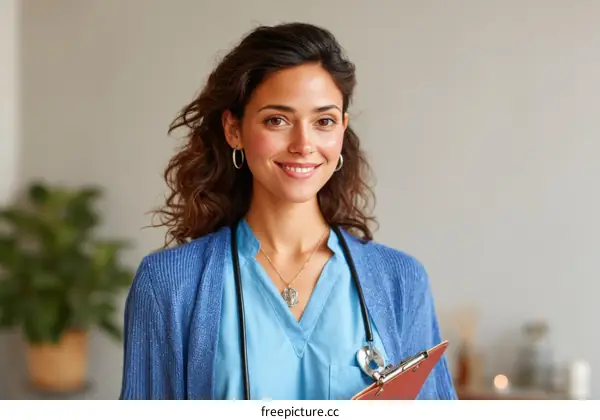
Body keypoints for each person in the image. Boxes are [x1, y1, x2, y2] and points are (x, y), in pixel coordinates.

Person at [119, 21, 457, 400]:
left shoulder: (401, 282)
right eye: (277, 120)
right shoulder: (170, 285)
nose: (303, 143)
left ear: (342, 130)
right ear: (234, 129)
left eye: (323, 121)